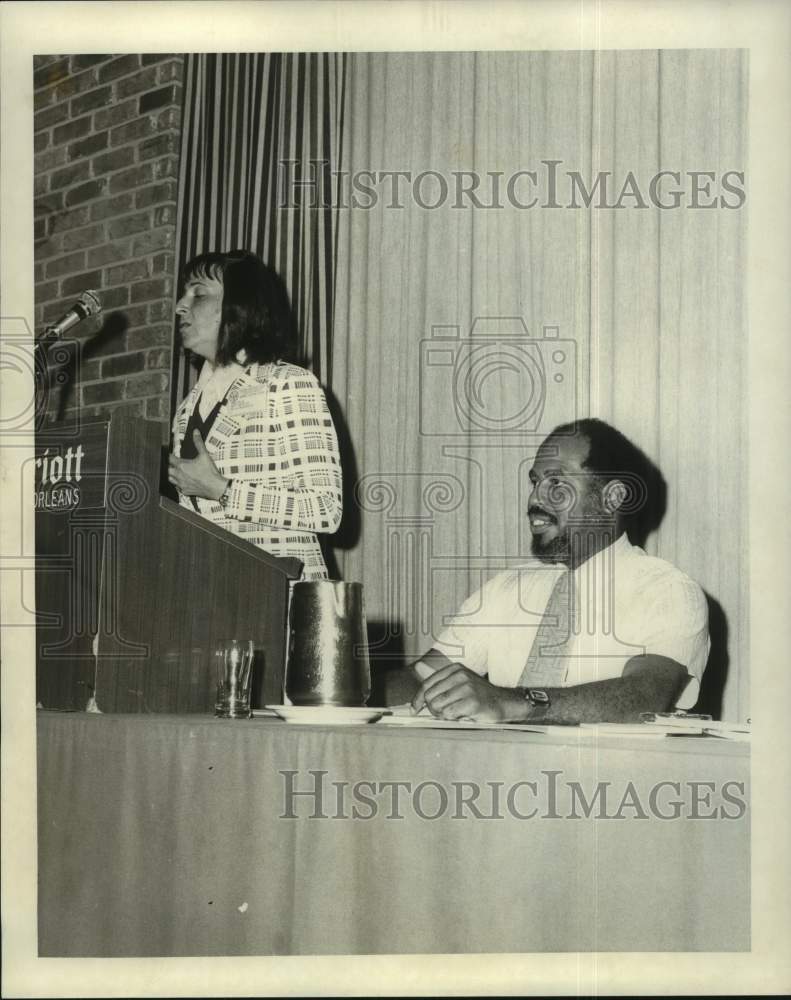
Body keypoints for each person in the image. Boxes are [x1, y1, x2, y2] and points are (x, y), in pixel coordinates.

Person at [389, 418, 709, 723]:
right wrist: (346, 687)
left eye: (556, 481)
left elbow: (647, 697)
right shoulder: (507, 588)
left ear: (612, 497)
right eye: (535, 481)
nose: (534, 499)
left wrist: (513, 703)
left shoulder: (668, 591)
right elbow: (423, 677)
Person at [167, 250, 342, 580]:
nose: (180, 305)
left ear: (239, 307)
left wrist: (223, 490)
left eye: (199, 293)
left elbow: (325, 509)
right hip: (206, 599)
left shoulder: (288, 384)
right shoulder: (185, 410)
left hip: (279, 602)